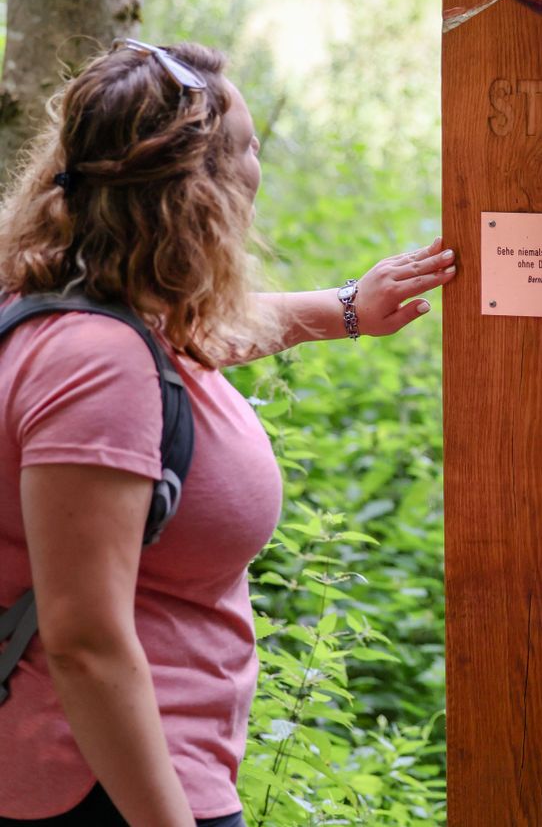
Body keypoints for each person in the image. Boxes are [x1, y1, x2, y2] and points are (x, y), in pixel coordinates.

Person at [0, 40, 456, 826]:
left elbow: (193, 336)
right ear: (196, 193)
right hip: (109, 785)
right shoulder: (97, 365)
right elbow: (85, 642)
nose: (257, 172)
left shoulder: (64, 299)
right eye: (247, 151)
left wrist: (346, 308)